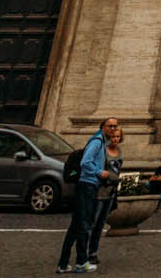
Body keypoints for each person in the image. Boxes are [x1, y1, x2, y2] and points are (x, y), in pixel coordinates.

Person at [57, 117, 118, 275]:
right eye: (110, 126)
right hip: (87, 185)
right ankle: (81, 262)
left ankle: (63, 264)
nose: (113, 129)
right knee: (84, 225)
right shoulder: (97, 142)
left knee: (75, 227)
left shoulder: (101, 142)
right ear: (103, 127)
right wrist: (99, 172)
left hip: (88, 185)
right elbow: (85, 162)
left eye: (115, 126)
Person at [85, 125, 122, 270]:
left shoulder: (119, 152)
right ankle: (84, 254)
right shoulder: (100, 149)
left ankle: (93, 253)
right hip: (99, 190)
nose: (115, 139)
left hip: (111, 191)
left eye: (118, 136)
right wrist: (99, 173)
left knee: (100, 225)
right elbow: (88, 163)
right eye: (113, 136)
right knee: (92, 223)